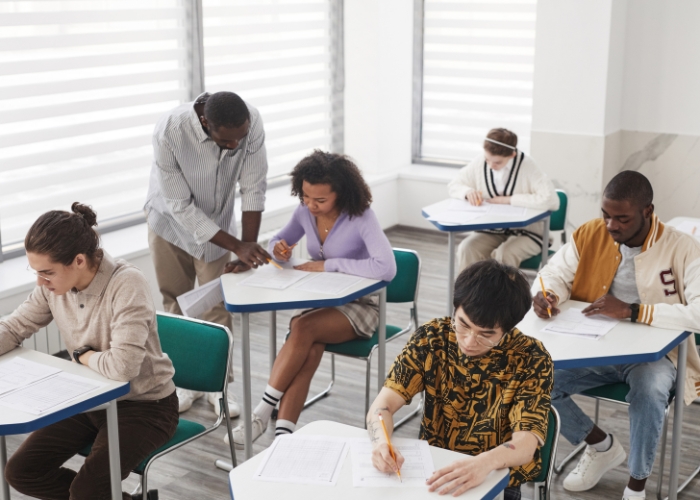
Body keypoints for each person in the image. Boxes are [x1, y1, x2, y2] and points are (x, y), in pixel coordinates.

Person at [533, 171, 700, 500]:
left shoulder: (683, 248)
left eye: (622, 218)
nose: (611, 226)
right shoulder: (590, 234)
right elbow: (553, 273)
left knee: (649, 390)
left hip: (654, 357)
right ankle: (601, 445)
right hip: (594, 346)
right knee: (536, 379)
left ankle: (636, 485)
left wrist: (634, 311)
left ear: (647, 212)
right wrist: (548, 293)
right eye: (606, 216)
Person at [1, 203, 178, 500]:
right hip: (88, 398)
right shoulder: (51, 287)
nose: (40, 282)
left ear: (79, 260)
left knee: (87, 491)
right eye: (36, 272)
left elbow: (124, 367)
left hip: (145, 406)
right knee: (22, 471)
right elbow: (16, 326)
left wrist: (83, 356)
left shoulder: (126, 283)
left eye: (47, 273)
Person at [229, 150, 397, 448]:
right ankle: (283, 436)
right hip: (324, 300)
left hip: (360, 305)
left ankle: (260, 413)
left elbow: (386, 268)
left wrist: (328, 264)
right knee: (311, 345)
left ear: (341, 194)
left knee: (302, 328)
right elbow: (276, 242)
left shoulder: (361, 217)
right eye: (306, 196)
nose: (311, 205)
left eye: (320, 200)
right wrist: (280, 250)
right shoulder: (304, 212)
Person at [367, 260, 553, 500]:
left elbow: (526, 443)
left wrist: (483, 464)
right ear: (455, 308)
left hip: (496, 477)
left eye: (486, 335)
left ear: (508, 329)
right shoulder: (431, 338)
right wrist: (381, 443)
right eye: (463, 324)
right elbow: (382, 407)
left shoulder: (531, 358)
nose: (469, 341)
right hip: (433, 470)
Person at [146, 90, 273, 417]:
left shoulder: (250, 123)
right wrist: (238, 246)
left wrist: (246, 247)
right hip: (168, 223)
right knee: (175, 303)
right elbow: (179, 206)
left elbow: (253, 187)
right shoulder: (170, 131)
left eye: (239, 139)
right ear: (205, 122)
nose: (234, 146)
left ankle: (219, 387)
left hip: (218, 224)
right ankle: (184, 382)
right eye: (226, 141)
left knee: (216, 305)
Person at [448, 128, 559, 271]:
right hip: (492, 231)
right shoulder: (480, 161)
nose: (490, 166)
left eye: (497, 162)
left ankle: (500, 294)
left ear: (512, 155)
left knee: (503, 255)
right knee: (467, 248)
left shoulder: (528, 166)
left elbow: (552, 201)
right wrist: (467, 191)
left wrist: (509, 200)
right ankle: (471, 293)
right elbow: (454, 185)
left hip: (529, 234)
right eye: (487, 159)